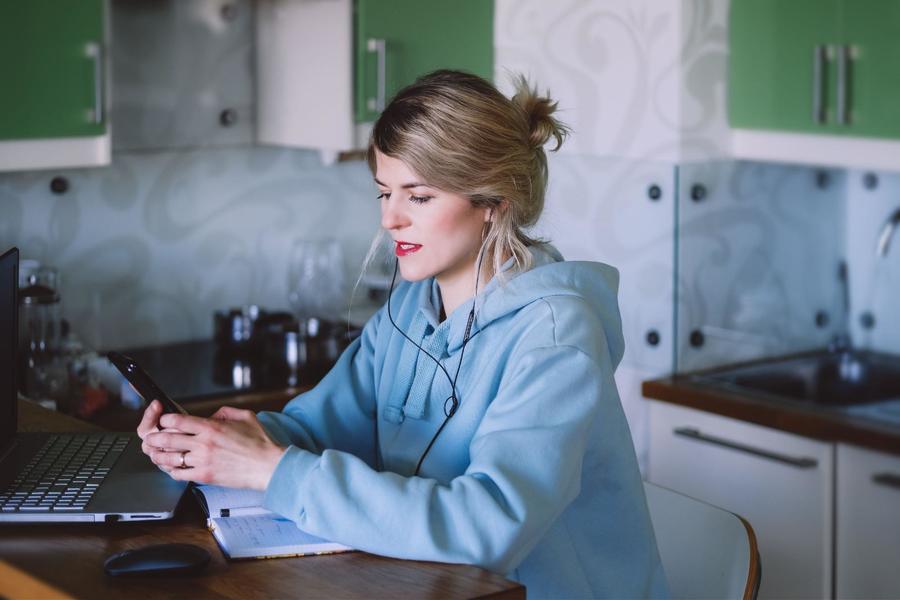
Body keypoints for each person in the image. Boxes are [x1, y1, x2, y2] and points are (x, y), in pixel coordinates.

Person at [138, 69, 668, 598]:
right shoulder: (413, 305)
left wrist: (272, 469)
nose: (390, 219)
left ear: (494, 201)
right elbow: (325, 426)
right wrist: (217, 444)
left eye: (418, 197)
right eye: (384, 193)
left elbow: (488, 528)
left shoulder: (556, 338)